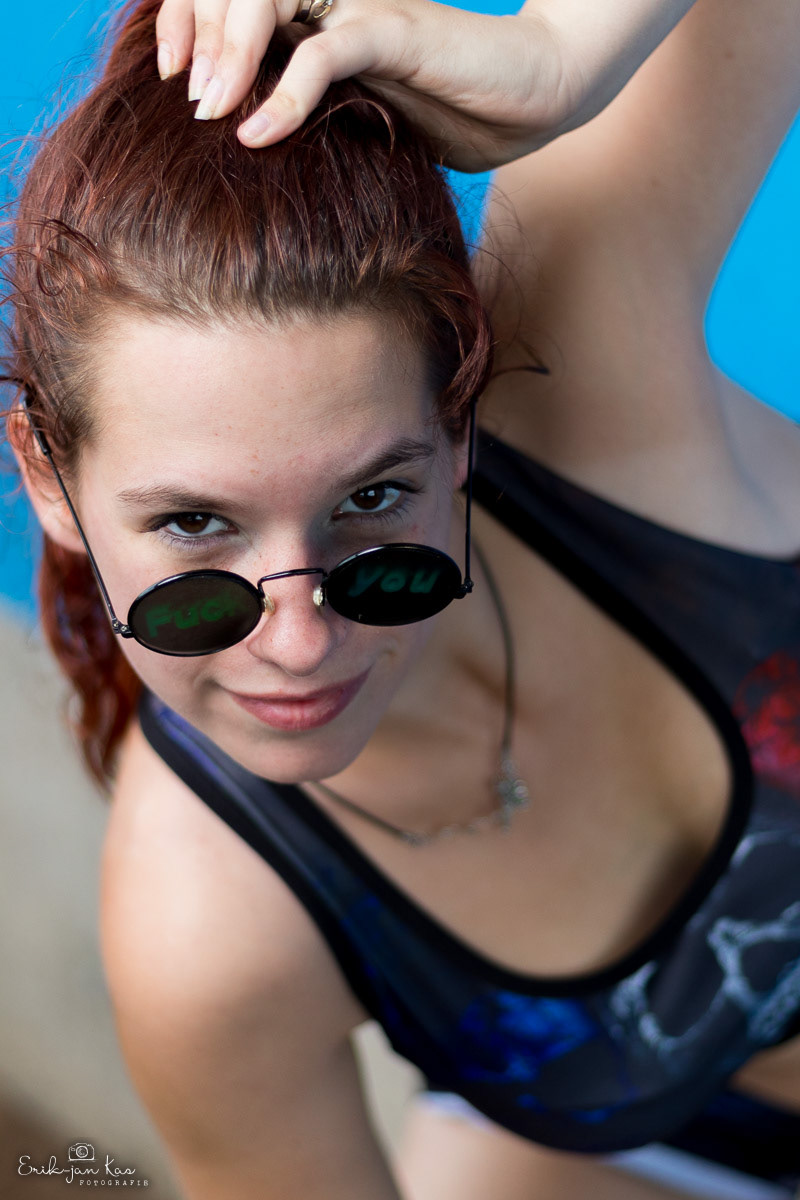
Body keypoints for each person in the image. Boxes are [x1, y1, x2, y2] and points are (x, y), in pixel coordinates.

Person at [4, 0, 800, 1196]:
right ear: (47, 481)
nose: (300, 640)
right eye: (194, 528)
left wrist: (561, 58)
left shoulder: (581, 362)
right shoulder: (210, 937)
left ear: (458, 422)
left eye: (373, 501)